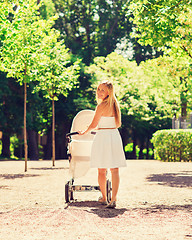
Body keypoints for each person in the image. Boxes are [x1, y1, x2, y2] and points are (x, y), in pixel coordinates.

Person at [78, 80, 126, 208]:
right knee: (115, 170)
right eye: (98, 89)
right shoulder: (115, 105)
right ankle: (113, 199)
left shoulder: (101, 106)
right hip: (114, 136)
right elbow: (118, 124)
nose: (99, 92)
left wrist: (84, 131)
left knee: (101, 170)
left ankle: (104, 198)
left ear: (109, 92)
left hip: (102, 137)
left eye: (102, 90)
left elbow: (93, 125)